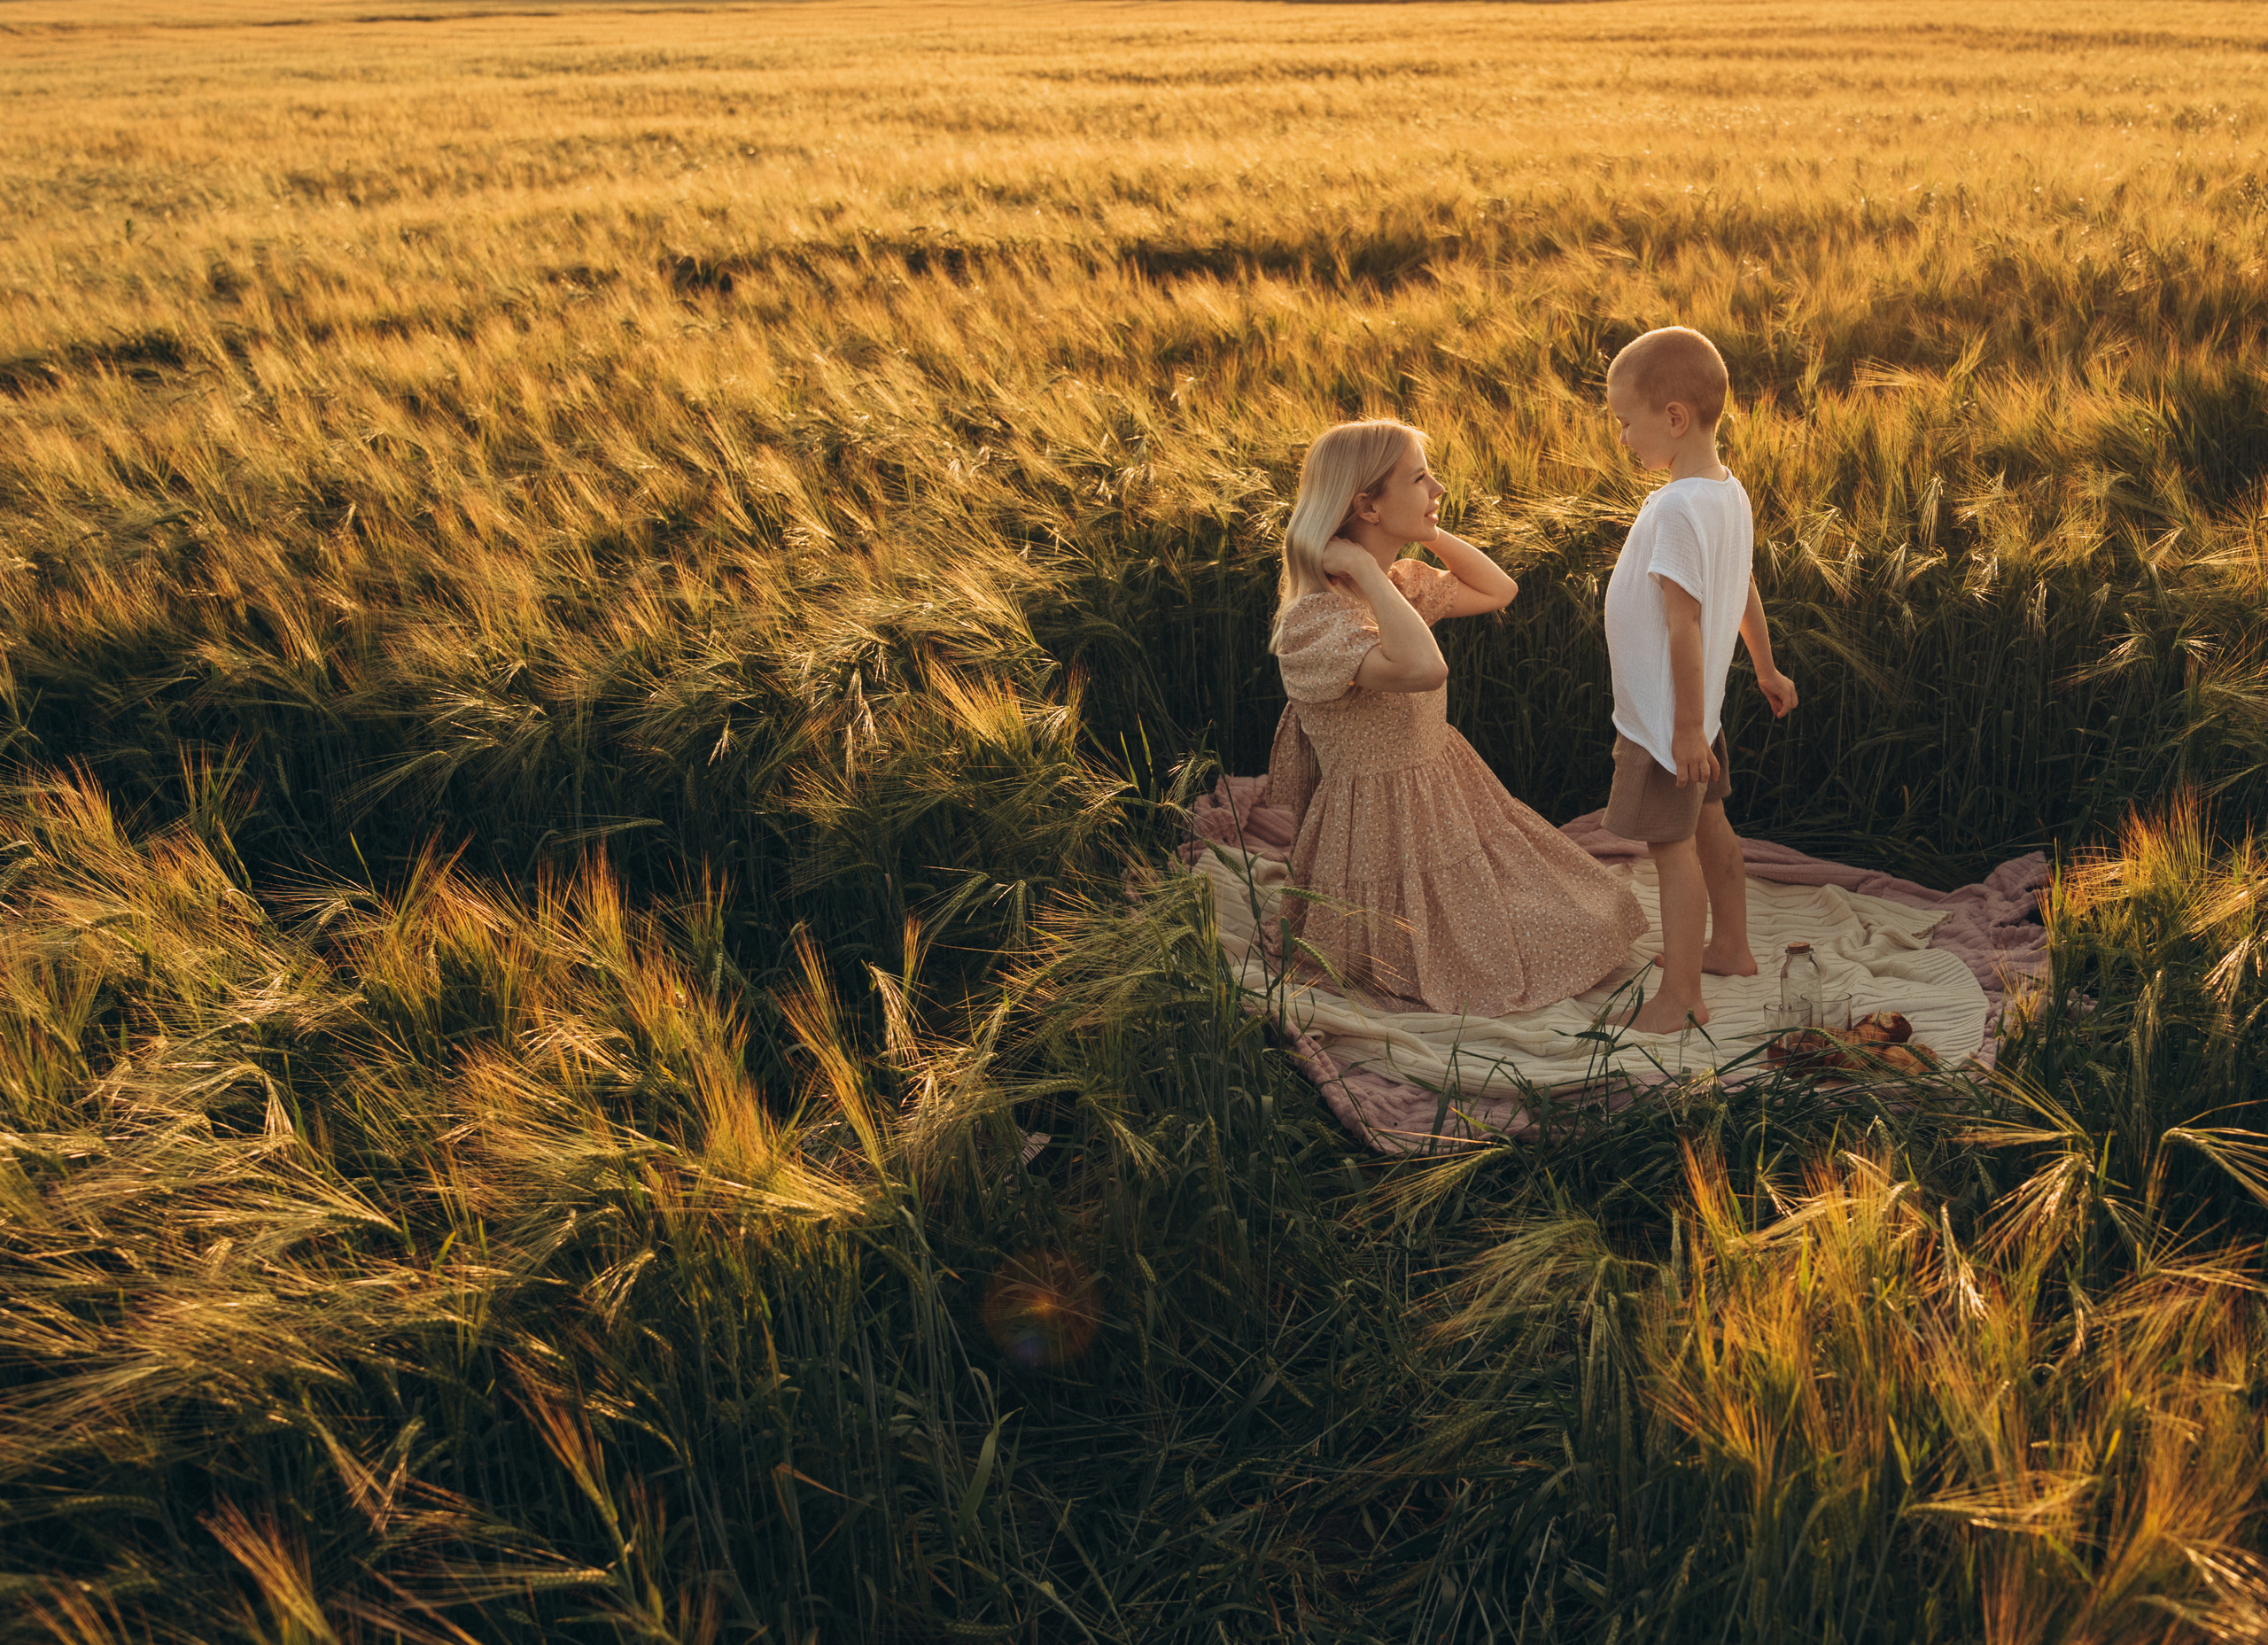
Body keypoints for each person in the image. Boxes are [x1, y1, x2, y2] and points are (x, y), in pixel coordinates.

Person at [1264, 420, 1646, 1017]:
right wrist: (1365, 570)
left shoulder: (1397, 584)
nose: (1438, 486)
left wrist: (1427, 534)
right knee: (1488, 954)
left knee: (1591, 914)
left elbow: (1499, 589)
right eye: (1420, 479)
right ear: (1366, 504)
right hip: (1381, 828)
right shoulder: (1316, 622)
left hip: (1444, 794)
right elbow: (1424, 667)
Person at [1599, 327, 1799, 1034]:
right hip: (1699, 707)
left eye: (1627, 422)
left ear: (1675, 418)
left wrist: (1682, 729)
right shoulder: (1727, 492)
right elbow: (1740, 585)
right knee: (1710, 818)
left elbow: (1683, 622)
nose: (1622, 438)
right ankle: (1731, 947)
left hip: (1665, 719)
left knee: (1670, 846)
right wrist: (1766, 668)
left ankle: (1681, 994)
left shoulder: (1679, 506)